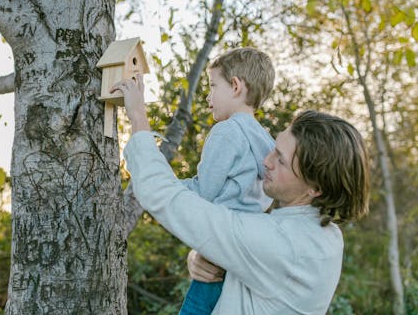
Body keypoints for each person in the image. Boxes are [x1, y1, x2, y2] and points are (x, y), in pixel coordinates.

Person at [110, 76, 370, 314]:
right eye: (274, 149)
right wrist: (204, 257)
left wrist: (137, 117)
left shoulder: (283, 243)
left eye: (281, 161)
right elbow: (245, 255)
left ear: (315, 188)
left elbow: (165, 197)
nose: (266, 161)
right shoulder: (324, 234)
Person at [173, 47, 275, 314]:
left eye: (212, 86)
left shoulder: (226, 131)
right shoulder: (267, 140)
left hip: (220, 243)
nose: (208, 96)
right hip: (251, 247)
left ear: (235, 86)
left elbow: (203, 191)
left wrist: (165, 183)